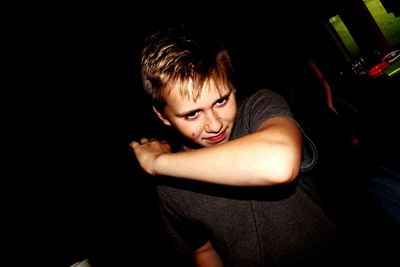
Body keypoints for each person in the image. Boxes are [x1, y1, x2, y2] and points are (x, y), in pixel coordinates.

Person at [129, 23, 363, 267]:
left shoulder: (260, 109)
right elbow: (203, 250)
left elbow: (278, 165)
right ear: (163, 116)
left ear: (233, 85)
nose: (214, 125)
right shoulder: (170, 186)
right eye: (191, 115)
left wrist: (157, 162)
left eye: (221, 101)